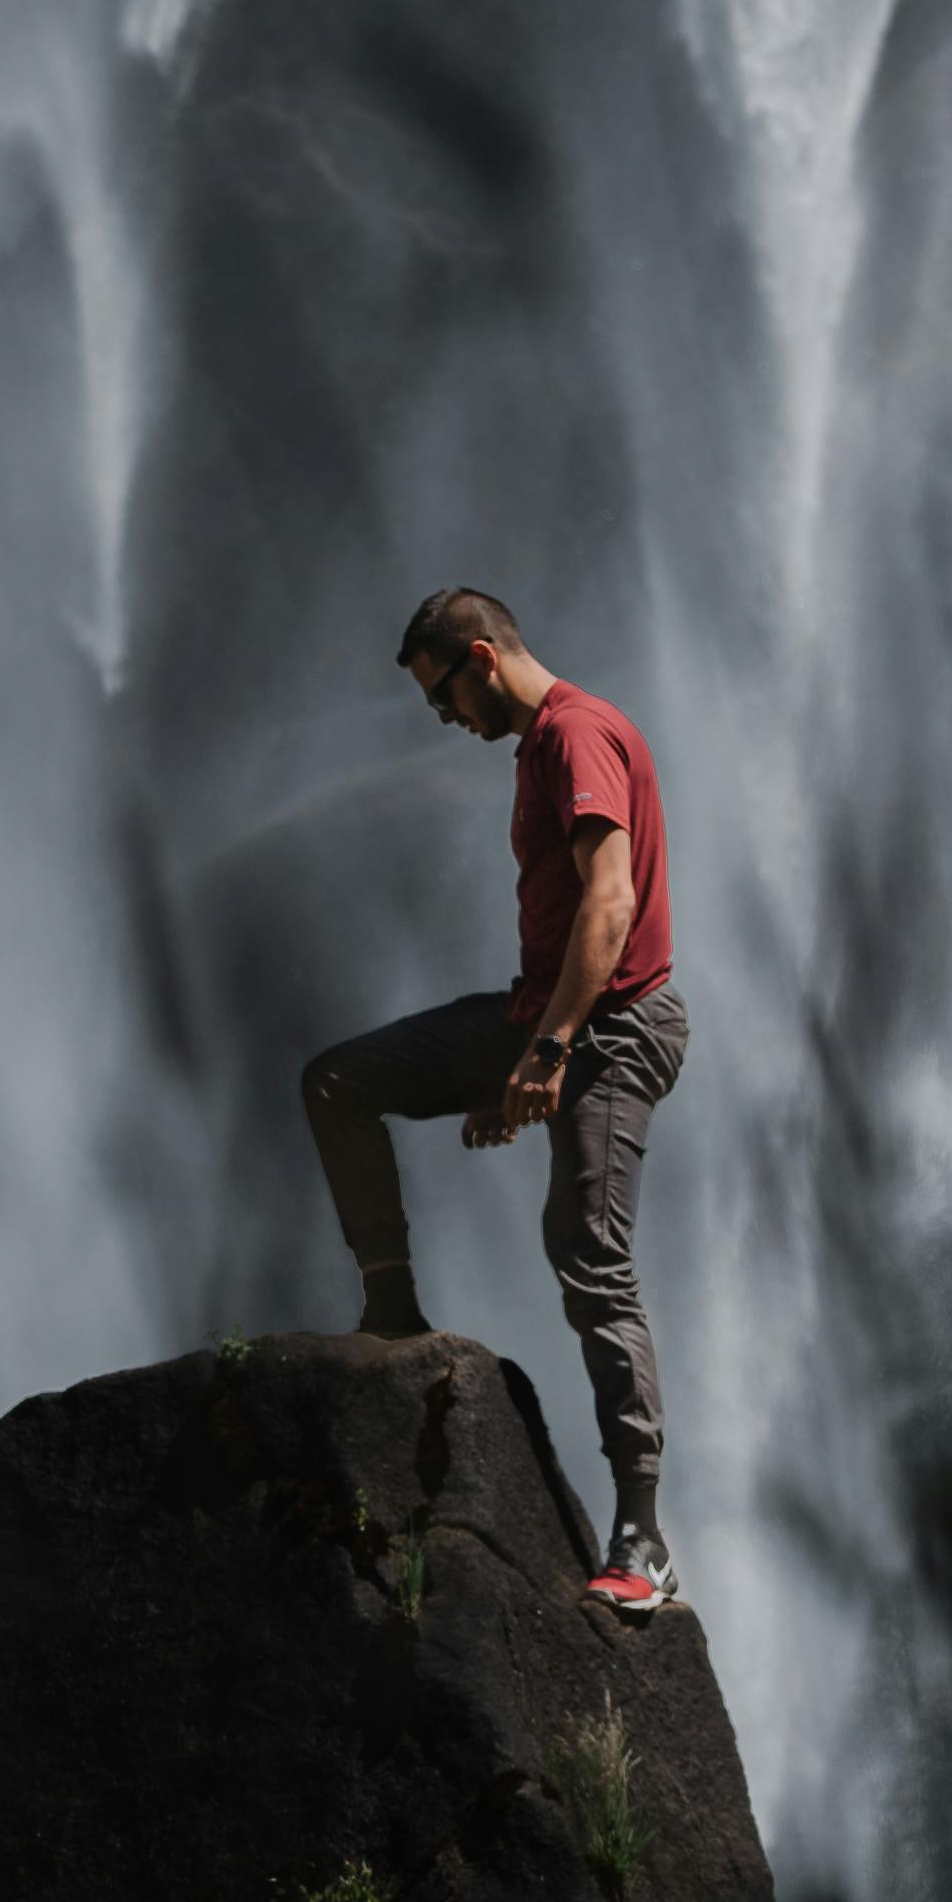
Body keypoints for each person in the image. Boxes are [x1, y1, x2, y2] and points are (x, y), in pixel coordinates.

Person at [297, 585, 690, 1615]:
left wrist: (550, 1054)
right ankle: (391, 1314)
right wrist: (512, 1061)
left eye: (441, 696)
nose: (444, 718)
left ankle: (641, 1534)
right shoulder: (544, 746)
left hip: (610, 1028)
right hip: (541, 1019)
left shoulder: (576, 733)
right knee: (337, 1080)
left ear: (479, 655)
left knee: (586, 1254)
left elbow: (609, 901)